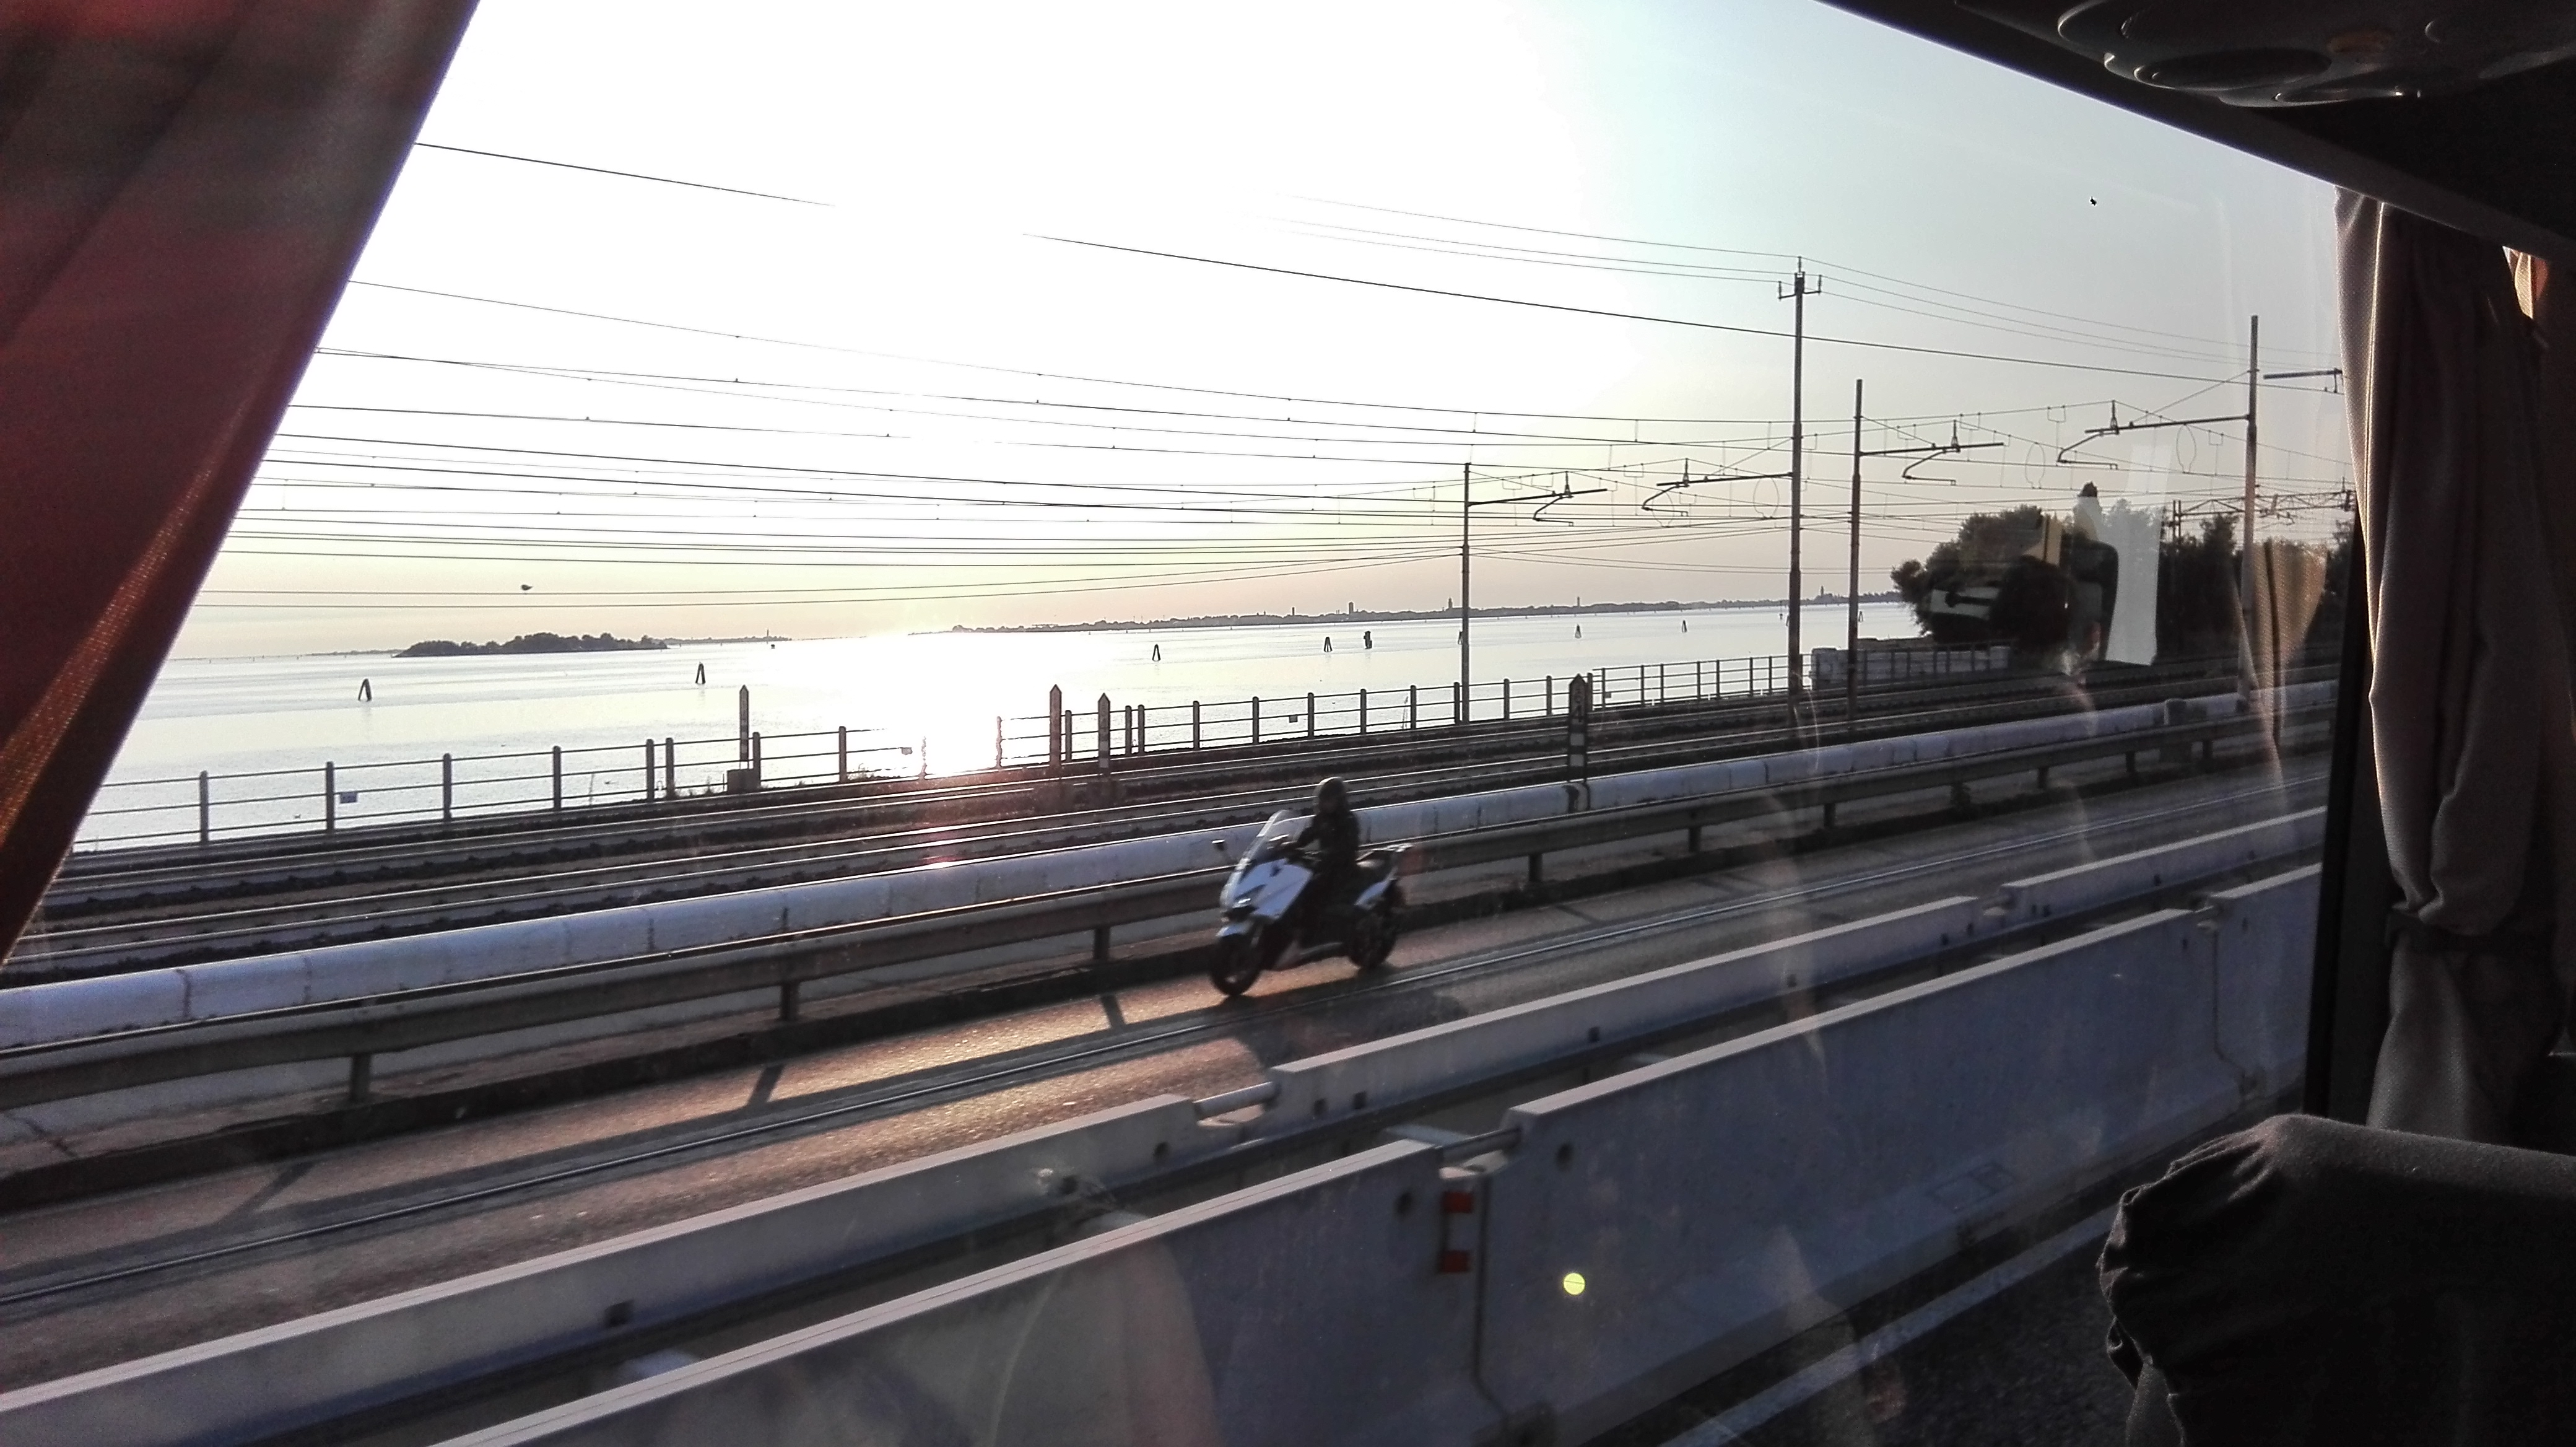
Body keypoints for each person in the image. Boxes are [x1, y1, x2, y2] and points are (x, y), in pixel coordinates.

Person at [1292, 776, 1361, 933]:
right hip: (1325, 864)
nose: (1324, 804)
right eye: (1323, 800)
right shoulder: (1321, 819)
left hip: (1343, 868)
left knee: (1315, 891)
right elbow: (1308, 836)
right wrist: (1291, 845)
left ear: (1340, 801)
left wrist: (1327, 854)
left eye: (1329, 800)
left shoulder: (1348, 820)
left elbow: (1347, 847)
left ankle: (1316, 930)